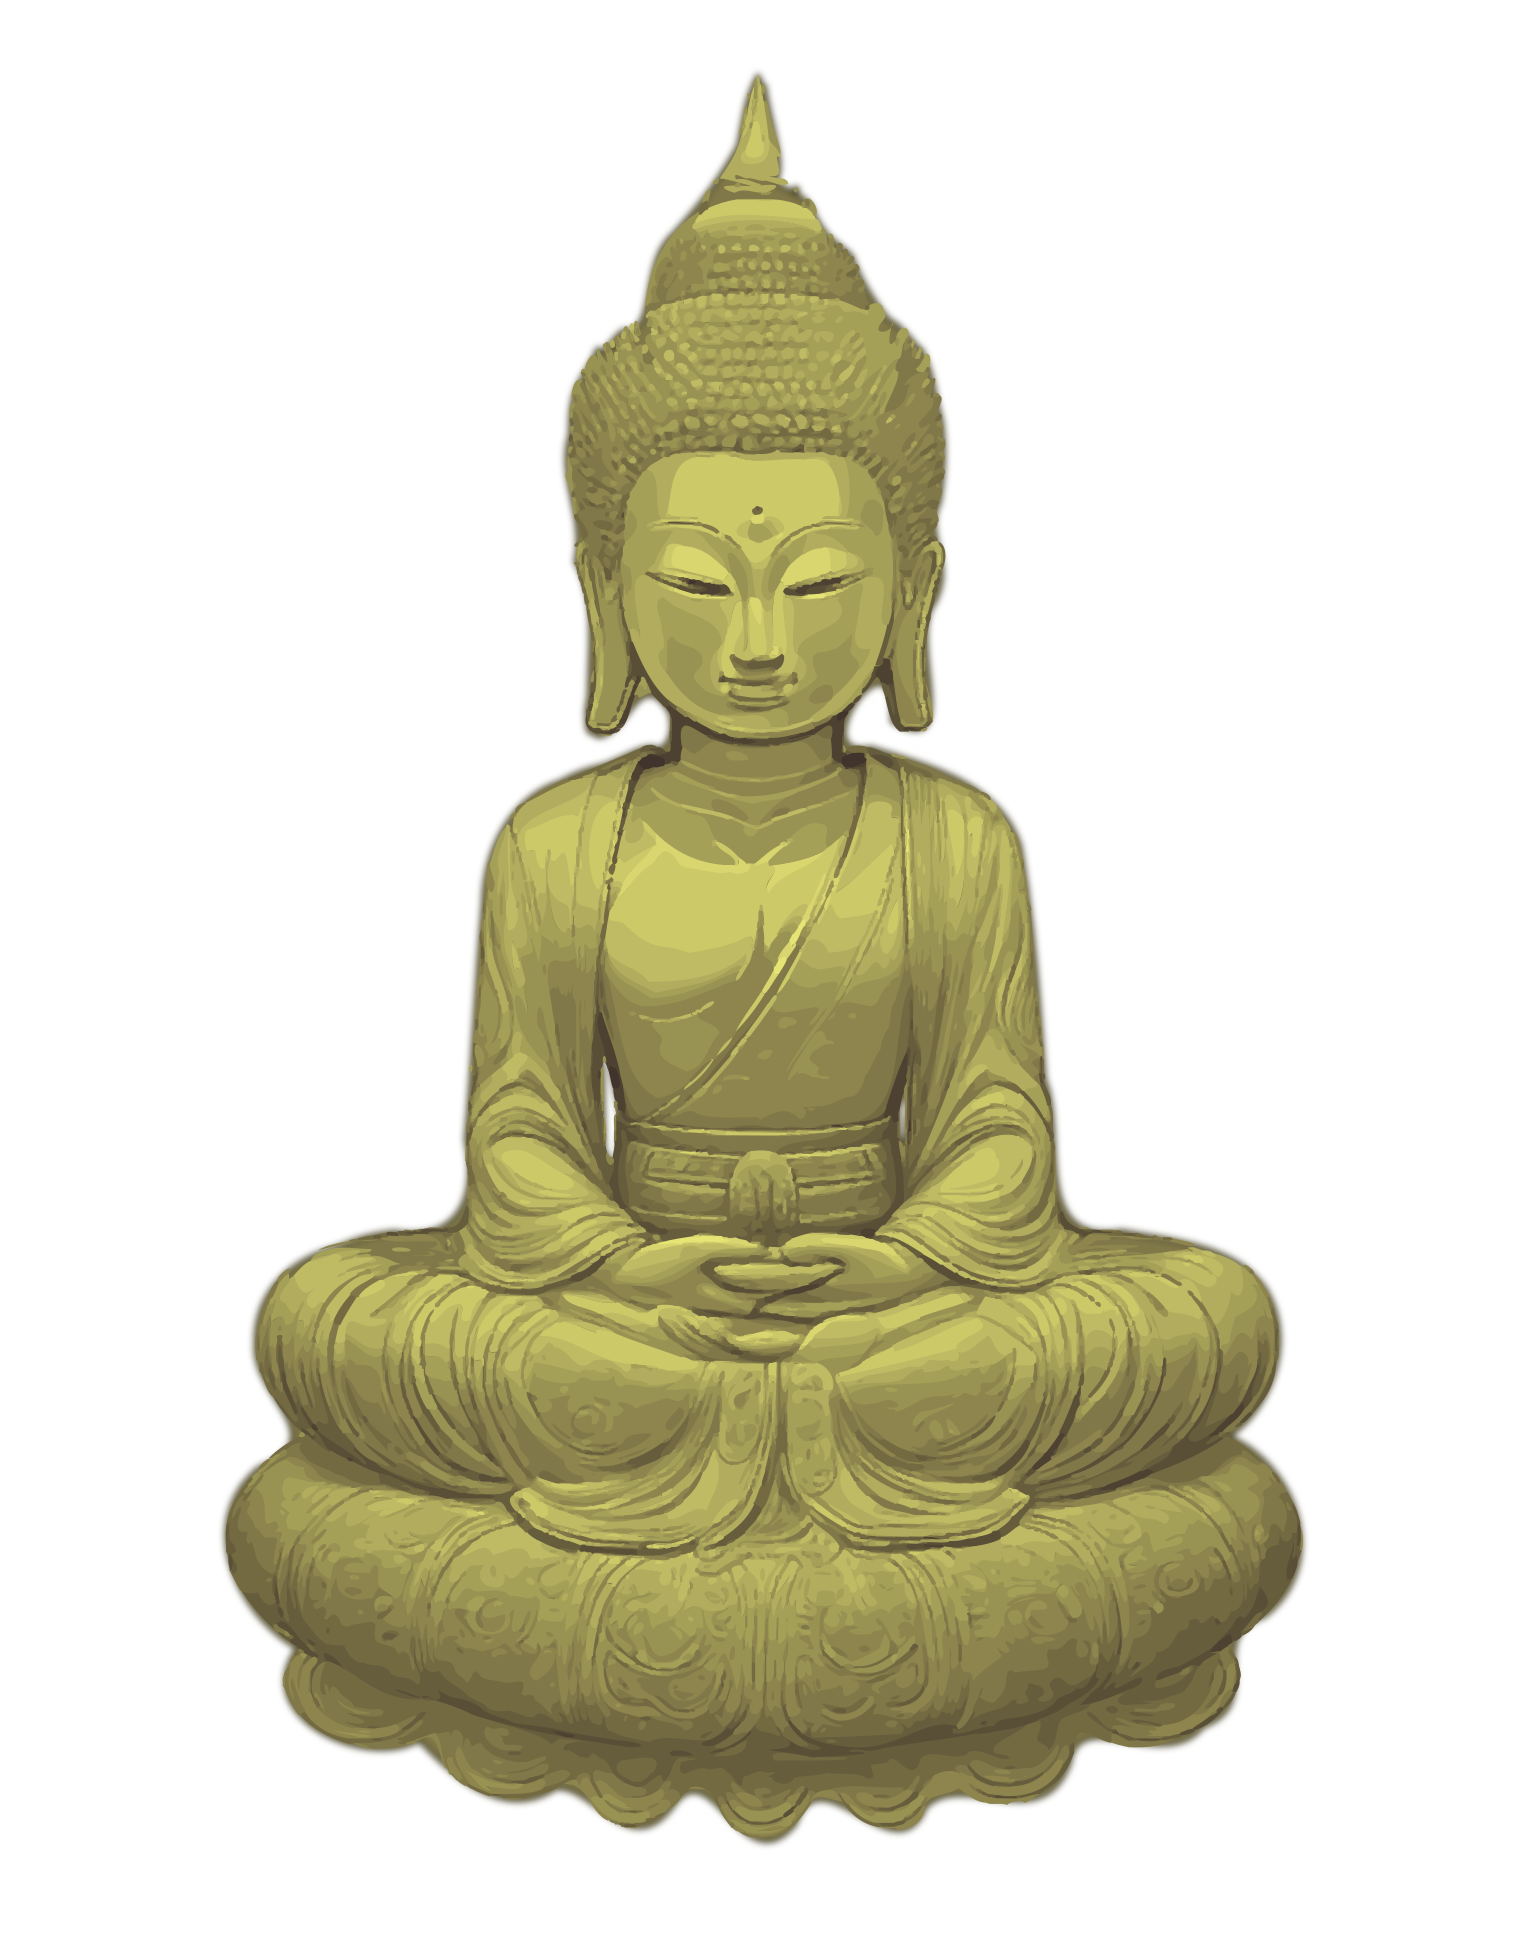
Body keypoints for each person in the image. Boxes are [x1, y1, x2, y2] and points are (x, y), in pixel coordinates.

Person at [222, 73, 1303, 1838]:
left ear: (913, 592)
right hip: (622, 1316)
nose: (751, 641)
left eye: (810, 584)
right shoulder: (554, 841)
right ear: (599, 587)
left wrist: (903, 1266)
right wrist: (621, 1272)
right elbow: (516, 1135)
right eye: (694, 584)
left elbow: (998, 1130)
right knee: (333, 1327)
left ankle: (726, 1504)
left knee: (1195, 1326)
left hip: (901, 1315)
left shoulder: (956, 836)